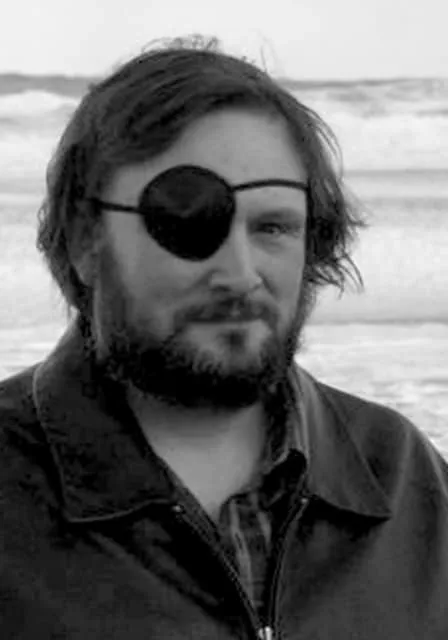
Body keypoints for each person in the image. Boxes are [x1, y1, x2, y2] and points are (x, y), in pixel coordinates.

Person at [0, 36, 447, 640]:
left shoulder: (402, 479)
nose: (239, 274)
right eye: (186, 221)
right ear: (85, 239)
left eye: (272, 226)